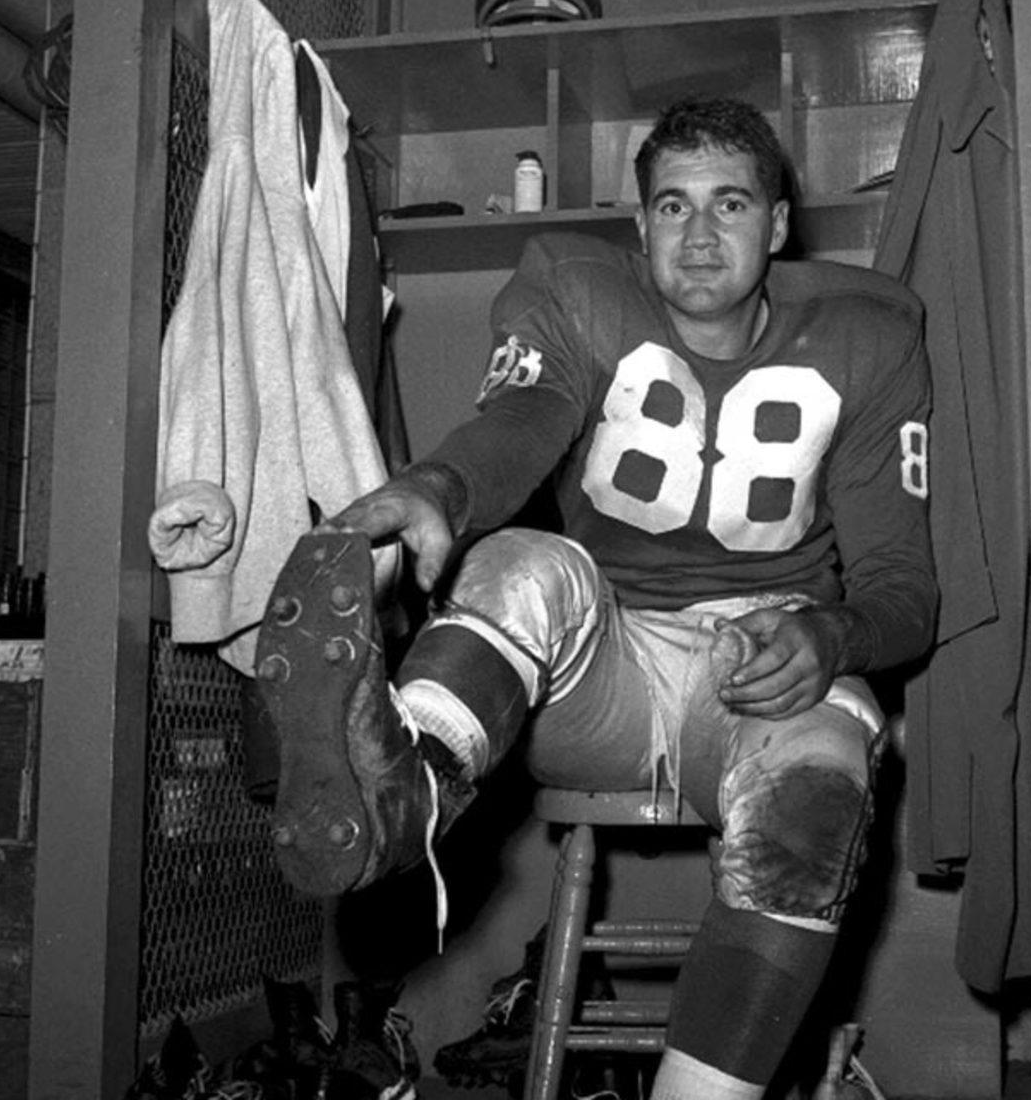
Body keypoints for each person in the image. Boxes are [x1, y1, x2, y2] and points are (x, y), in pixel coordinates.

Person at [255, 95, 937, 1100]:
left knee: (818, 796)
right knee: (525, 559)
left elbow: (902, 590)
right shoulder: (575, 291)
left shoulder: (869, 341)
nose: (698, 236)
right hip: (599, 668)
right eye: (671, 207)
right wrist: (437, 488)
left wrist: (830, 633)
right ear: (639, 224)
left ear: (779, 224)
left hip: (756, 681)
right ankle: (407, 787)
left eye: (729, 205)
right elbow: (524, 413)